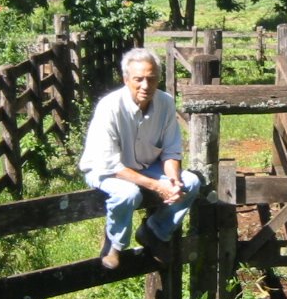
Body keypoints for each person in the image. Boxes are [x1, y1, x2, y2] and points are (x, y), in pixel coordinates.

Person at [79, 47, 201, 269]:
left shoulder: (165, 102)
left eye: (151, 79)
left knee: (191, 182)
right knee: (128, 193)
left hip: (143, 165)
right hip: (105, 169)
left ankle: (154, 232)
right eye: (139, 79)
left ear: (158, 79)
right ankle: (114, 244)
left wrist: (173, 180)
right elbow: (111, 165)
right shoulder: (110, 107)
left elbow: (171, 150)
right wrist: (157, 186)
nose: (145, 85)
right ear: (126, 79)